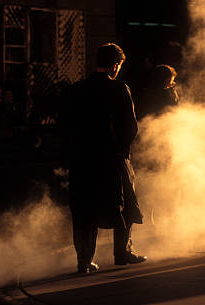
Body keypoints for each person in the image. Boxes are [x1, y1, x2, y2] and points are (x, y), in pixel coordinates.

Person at [62, 43, 146, 273]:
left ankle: (84, 261)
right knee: (125, 204)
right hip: (112, 158)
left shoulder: (77, 89)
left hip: (82, 160)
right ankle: (122, 253)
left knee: (84, 208)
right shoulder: (119, 88)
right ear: (115, 65)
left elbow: (66, 124)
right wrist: (123, 151)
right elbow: (130, 127)